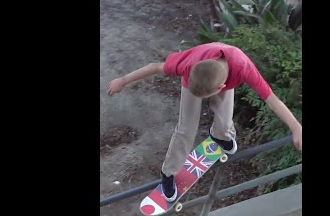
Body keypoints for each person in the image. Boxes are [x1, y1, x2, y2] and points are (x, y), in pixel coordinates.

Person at [107, 42, 302, 202]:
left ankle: (220, 135)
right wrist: (123, 80)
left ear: (221, 87)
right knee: (186, 129)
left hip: (225, 77)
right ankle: (168, 174)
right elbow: (155, 67)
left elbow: (273, 100)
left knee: (225, 122)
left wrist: (296, 127)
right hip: (196, 79)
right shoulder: (188, 64)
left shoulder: (244, 68)